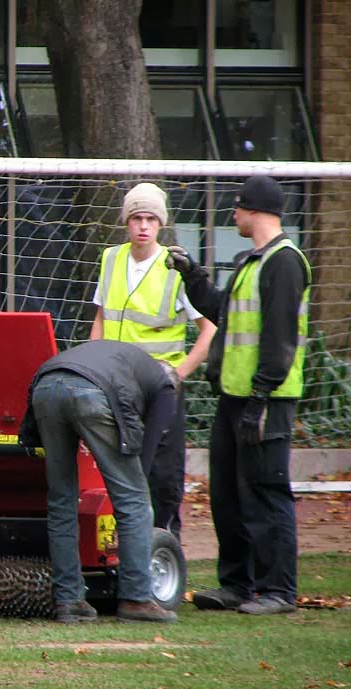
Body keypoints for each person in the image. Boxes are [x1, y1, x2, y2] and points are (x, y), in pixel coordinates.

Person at [166, 175, 311, 616]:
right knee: (228, 493)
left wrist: (260, 399)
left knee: (266, 491)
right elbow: (221, 311)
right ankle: (236, 585)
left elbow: (280, 340)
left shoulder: (284, 262)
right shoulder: (252, 260)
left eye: (237, 208)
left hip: (265, 401)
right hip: (234, 398)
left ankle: (278, 591)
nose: (233, 215)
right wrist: (193, 275)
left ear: (255, 210)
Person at [19, 340, 179, 624]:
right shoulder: (166, 387)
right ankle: (136, 599)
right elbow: (148, 450)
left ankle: (69, 600)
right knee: (135, 501)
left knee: (61, 499)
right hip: (91, 392)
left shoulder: (123, 358)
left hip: (45, 387)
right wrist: (130, 480)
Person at [90, 182, 217, 539]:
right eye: (136, 218)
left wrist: (179, 373)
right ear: (126, 222)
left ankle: (164, 546)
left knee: (163, 476)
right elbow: (100, 319)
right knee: (120, 468)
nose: (143, 225)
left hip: (161, 388)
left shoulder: (175, 267)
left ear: (160, 224)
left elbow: (209, 328)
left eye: (150, 218)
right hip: (116, 385)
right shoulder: (111, 259)